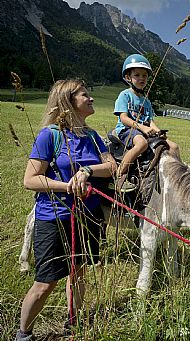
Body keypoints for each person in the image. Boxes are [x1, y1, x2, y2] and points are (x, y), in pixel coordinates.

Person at [15, 79, 117, 341]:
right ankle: (23, 334)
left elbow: (111, 166)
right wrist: (67, 186)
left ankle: (73, 324)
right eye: (85, 95)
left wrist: (86, 170)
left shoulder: (93, 136)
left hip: (88, 215)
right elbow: (31, 180)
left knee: (79, 273)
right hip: (55, 217)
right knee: (45, 283)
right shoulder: (50, 135)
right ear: (68, 101)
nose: (91, 98)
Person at [113, 53, 180, 192]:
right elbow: (124, 118)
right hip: (127, 130)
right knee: (142, 144)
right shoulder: (125, 95)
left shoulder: (147, 101)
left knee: (174, 147)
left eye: (144, 75)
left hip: (143, 129)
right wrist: (142, 127)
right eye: (137, 75)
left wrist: (158, 132)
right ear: (127, 77)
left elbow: (150, 121)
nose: (141, 78)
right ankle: (119, 174)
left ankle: (178, 177)